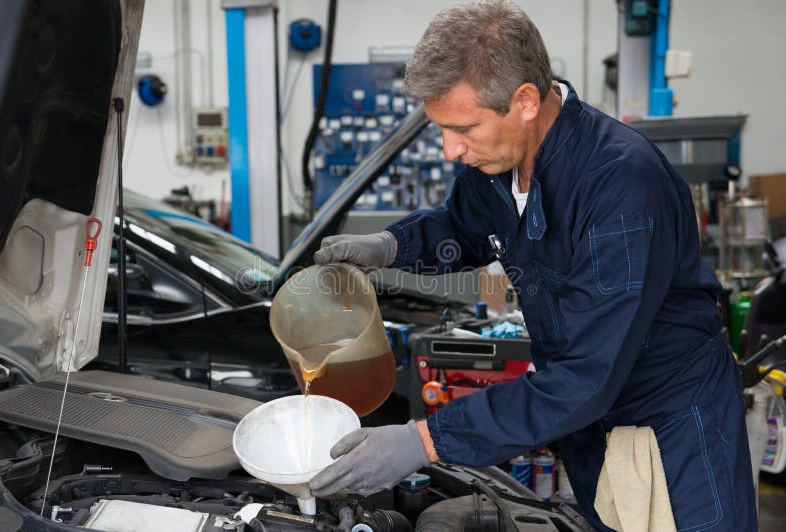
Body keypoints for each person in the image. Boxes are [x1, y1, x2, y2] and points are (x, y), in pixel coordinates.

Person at [308, 1, 756, 529]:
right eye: (442, 130)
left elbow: (585, 376)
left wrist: (424, 439)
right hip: (591, 428)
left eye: (464, 128)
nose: (451, 149)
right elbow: (463, 227)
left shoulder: (621, 188)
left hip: (675, 430)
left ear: (524, 101)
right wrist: (387, 246)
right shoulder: (497, 165)